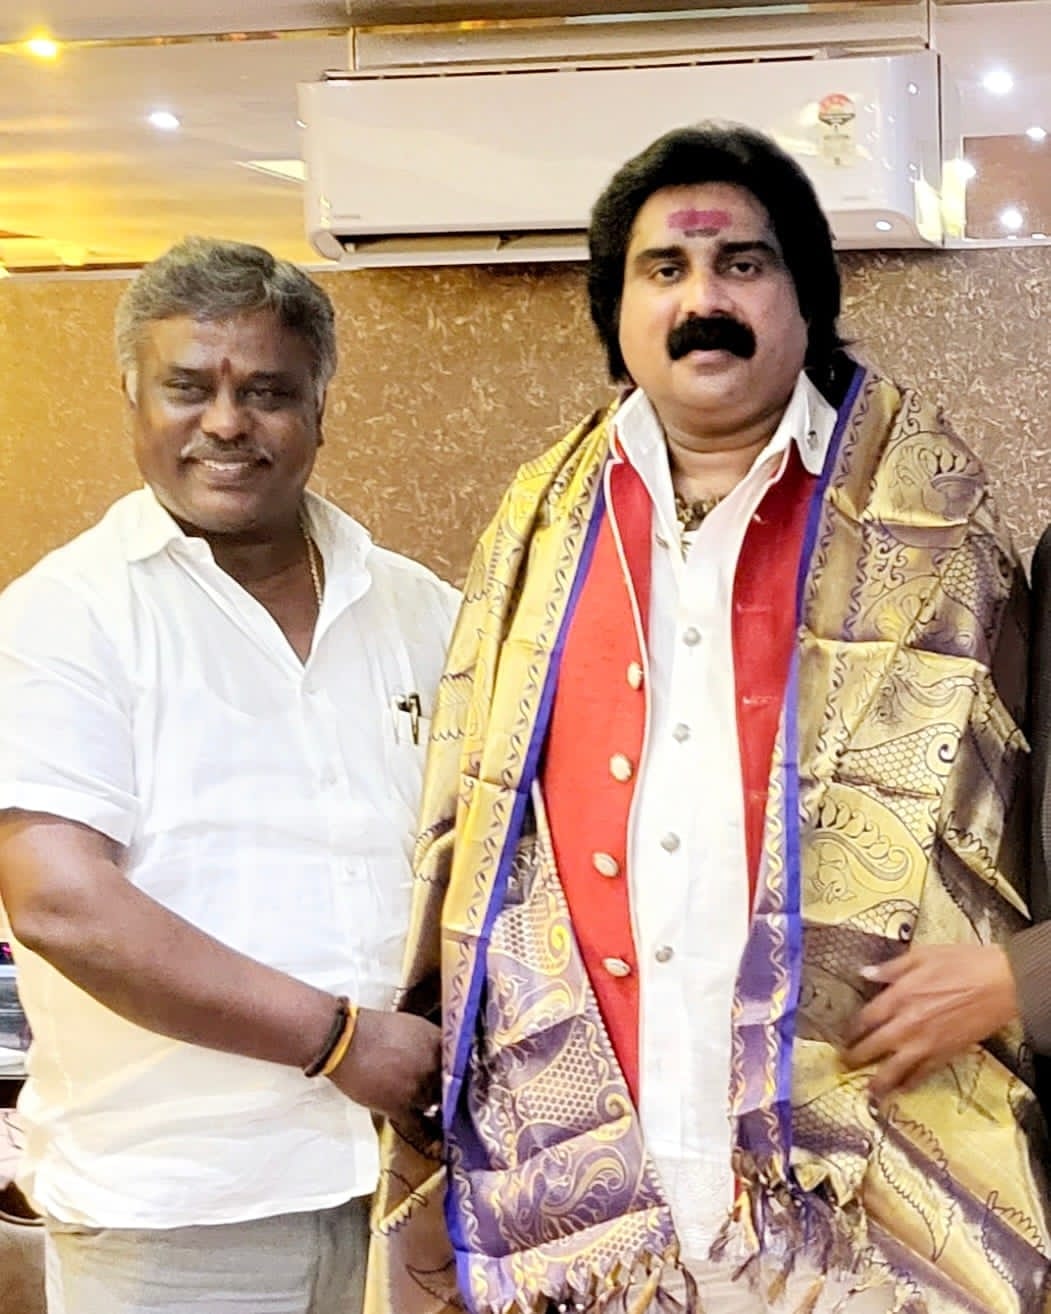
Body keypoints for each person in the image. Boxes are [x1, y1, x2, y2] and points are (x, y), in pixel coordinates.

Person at [365, 125, 1051, 1314]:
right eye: (664, 270)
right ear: (616, 311)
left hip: (867, 1190)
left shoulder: (945, 544)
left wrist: (1019, 977)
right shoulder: (530, 540)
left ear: (806, 298)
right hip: (582, 1189)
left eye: (743, 264)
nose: (703, 302)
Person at [0, 237, 458, 1314]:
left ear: (319, 406)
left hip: (411, 1187)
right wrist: (337, 1041)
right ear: (132, 398)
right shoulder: (62, 618)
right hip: (180, 1217)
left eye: (266, 391)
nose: (226, 423)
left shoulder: (420, 608)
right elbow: (59, 901)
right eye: (188, 387)